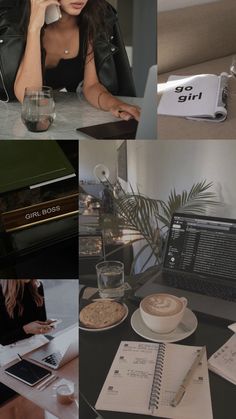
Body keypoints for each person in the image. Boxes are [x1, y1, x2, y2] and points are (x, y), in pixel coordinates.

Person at [12, 0, 140, 121]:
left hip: (61, 117)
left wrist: (115, 105)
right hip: (14, 119)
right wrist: (34, 28)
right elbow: (29, 98)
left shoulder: (91, 21)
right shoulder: (16, 19)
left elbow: (91, 86)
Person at [0, 279, 54, 405]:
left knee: (57, 372)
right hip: (10, 347)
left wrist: (46, 326)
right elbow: (3, 339)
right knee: (34, 382)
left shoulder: (37, 285)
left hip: (36, 341)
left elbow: (41, 319)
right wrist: (26, 329)